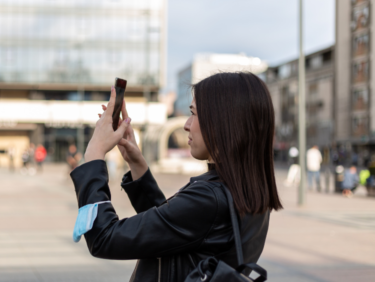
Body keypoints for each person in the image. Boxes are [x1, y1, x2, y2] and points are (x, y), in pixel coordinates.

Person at [71, 72, 283, 281]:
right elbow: (171, 230)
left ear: (223, 122)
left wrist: (94, 155)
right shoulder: (246, 189)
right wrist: (137, 164)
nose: (186, 124)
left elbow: (104, 238)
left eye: (194, 113)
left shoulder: (211, 198)